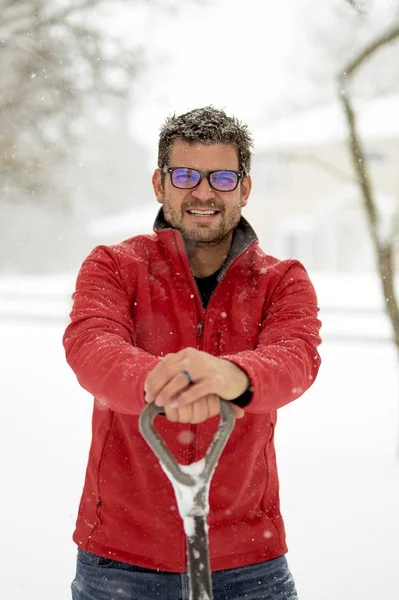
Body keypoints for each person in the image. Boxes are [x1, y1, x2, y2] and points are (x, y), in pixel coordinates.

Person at [63, 106, 322, 600]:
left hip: (248, 561)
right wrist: (168, 379)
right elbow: (90, 345)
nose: (204, 192)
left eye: (222, 177)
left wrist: (231, 375)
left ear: (245, 189)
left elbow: (297, 357)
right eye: (185, 175)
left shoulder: (281, 279)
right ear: (160, 184)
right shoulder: (114, 266)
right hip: (121, 560)